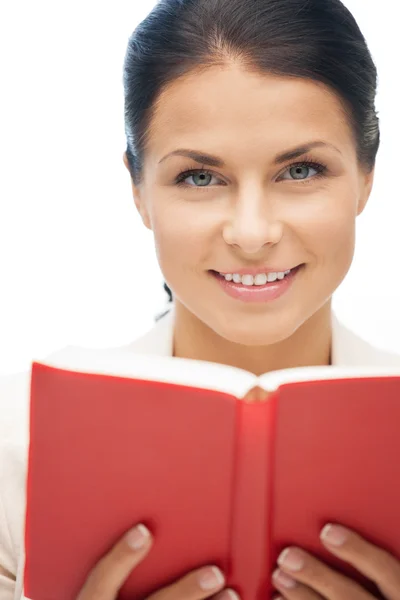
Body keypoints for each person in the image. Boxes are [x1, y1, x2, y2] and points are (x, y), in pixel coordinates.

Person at [1, 0, 400, 599]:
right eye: (199, 177)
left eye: (300, 171)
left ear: (366, 174)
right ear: (138, 190)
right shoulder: (19, 449)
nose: (251, 232)